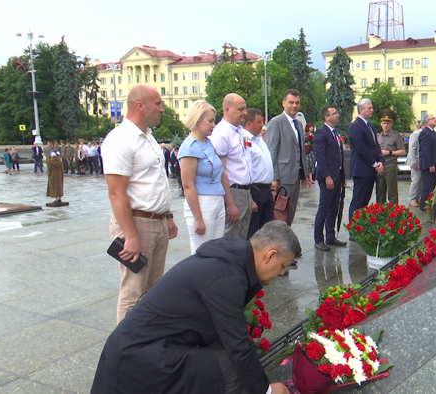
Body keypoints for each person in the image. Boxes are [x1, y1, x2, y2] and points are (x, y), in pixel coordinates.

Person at [91, 221, 297, 394]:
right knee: (228, 369)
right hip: (137, 359)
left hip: (146, 347)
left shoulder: (232, 259)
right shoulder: (227, 277)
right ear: (269, 255)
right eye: (283, 265)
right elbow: (237, 345)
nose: (281, 273)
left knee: (226, 361)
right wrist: (266, 391)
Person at [101, 84, 178, 323]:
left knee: (154, 290)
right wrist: (130, 235)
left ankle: (147, 341)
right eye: (158, 103)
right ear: (140, 105)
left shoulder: (147, 136)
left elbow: (155, 181)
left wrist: (167, 216)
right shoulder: (121, 139)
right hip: (137, 223)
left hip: (156, 221)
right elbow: (116, 193)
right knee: (133, 291)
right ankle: (125, 351)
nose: (162, 109)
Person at [179, 100, 226, 254]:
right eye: (210, 121)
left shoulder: (208, 142)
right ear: (198, 120)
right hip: (201, 202)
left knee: (216, 249)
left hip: (217, 198)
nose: (214, 125)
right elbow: (188, 185)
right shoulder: (189, 147)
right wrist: (198, 218)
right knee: (202, 252)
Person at [211, 93, 254, 239]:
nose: (245, 113)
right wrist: (230, 203)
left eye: (245, 109)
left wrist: (250, 197)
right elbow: (220, 170)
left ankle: (239, 262)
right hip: (233, 191)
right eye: (240, 109)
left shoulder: (240, 131)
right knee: (231, 236)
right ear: (227, 109)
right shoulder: (221, 133)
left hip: (245, 191)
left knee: (242, 236)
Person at [266, 89, 311, 225]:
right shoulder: (276, 122)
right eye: (291, 102)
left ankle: (285, 240)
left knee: (290, 213)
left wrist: (305, 174)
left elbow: (301, 151)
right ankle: (278, 243)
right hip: (283, 176)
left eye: (297, 103)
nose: (294, 106)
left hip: (295, 175)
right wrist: (274, 177)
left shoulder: (298, 124)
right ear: (283, 103)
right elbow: (271, 151)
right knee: (280, 213)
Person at [313, 106, 347, 251]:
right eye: (334, 113)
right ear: (326, 117)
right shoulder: (321, 133)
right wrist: (327, 176)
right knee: (324, 208)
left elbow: (339, 156)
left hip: (337, 175)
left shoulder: (334, 133)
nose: (337, 115)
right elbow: (320, 156)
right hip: (327, 176)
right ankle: (318, 239)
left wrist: (343, 176)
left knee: (334, 207)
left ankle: (330, 236)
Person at [348, 98, 384, 222]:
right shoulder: (356, 126)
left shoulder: (369, 126)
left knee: (365, 201)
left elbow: (376, 146)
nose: (372, 110)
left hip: (371, 170)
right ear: (361, 109)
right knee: (358, 201)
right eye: (369, 108)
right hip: (362, 170)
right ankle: (353, 227)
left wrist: (380, 161)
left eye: (372, 107)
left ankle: (361, 226)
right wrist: (374, 164)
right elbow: (361, 148)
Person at [244, 108, 275, 239]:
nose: (262, 125)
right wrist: (250, 198)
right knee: (252, 229)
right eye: (258, 122)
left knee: (268, 228)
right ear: (249, 123)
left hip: (266, 189)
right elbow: (245, 168)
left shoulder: (260, 139)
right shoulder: (244, 140)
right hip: (255, 189)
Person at [376, 109, 406, 204]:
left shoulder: (396, 137)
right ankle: (380, 213)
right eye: (384, 123)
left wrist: (389, 152)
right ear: (381, 124)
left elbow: (402, 152)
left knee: (392, 193)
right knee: (380, 193)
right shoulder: (378, 136)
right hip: (379, 167)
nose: (386, 125)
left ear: (391, 124)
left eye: (388, 123)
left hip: (390, 166)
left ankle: (394, 213)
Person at [418, 114, 436, 211]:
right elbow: (426, 150)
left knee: (432, 186)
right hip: (430, 165)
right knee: (428, 186)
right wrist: (430, 164)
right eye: (433, 119)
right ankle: (424, 206)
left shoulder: (433, 132)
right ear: (427, 121)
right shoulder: (425, 133)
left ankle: (429, 204)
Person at [406, 120, 422, 207]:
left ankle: (417, 198)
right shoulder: (415, 134)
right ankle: (412, 199)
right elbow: (412, 149)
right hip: (415, 161)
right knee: (416, 180)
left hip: (420, 161)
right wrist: (413, 162)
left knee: (420, 181)